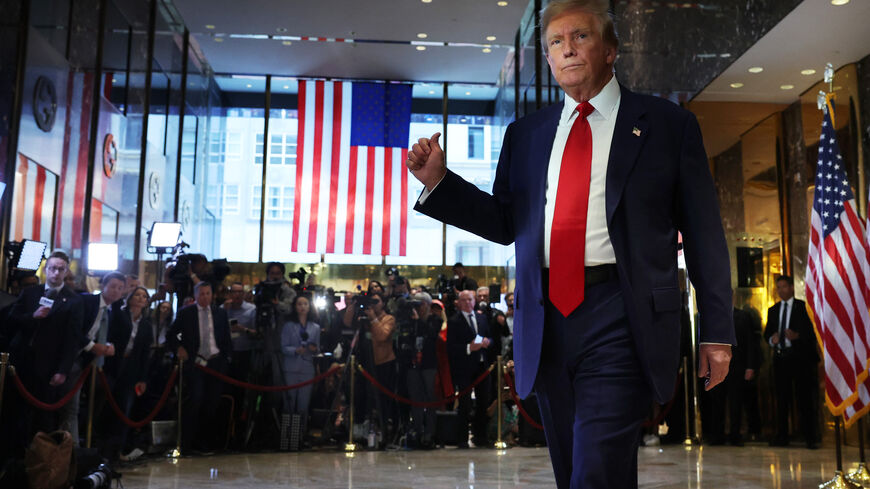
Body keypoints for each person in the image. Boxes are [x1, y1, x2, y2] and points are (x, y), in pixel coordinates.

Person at [406, 0, 733, 486]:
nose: (567, 50)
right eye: (556, 42)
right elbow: (505, 222)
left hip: (625, 313)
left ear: (611, 50)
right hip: (548, 317)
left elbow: (705, 234)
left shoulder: (668, 125)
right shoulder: (527, 134)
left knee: (594, 468)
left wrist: (716, 331)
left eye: (580, 37)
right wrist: (439, 182)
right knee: (577, 467)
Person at [3, 250, 84, 457]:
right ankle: (13, 457)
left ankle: (40, 460)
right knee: (15, 412)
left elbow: (71, 340)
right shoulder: (31, 293)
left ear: (66, 272)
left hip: (48, 366)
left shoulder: (73, 301)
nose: (56, 273)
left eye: (61, 269)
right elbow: (12, 319)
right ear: (46, 270)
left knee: (42, 417)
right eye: (53, 268)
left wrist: (62, 371)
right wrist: (33, 316)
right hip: (20, 362)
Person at [61, 271, 127, 446]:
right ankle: (71, 447)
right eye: (112, 286)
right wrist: (92, 346)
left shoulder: (113, 311)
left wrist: (108, 346)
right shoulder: (87, 301)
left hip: (87, 361)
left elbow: (104, 334)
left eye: (120, 288)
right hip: (70, 356)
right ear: (103, 286)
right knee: (69, 405)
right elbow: (73, 330)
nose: (115, 291)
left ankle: (78, 444)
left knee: (79, 405)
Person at [168, 281, 233, 452]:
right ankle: (188, 442)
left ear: (212, 295)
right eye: (201, 294)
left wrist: (226, 358)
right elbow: (171, 335)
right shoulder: (186, 313)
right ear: (196, 296)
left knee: (211, 403)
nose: (205, 297)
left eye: (208, 293)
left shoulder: (220, 313)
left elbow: (226, 337)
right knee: (195, 400)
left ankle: (206, 442)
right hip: (196, 362)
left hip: (216, 362)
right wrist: (179, 348)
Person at [764, 275, 820, 449]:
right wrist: (771, 339)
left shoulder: (803, 307)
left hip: (800, 359)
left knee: (804, 399)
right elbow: (767, 333)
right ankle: (782, 436)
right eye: (778, 287)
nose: (781, 290)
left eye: (784, 287)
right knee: (782, 399)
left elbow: (813, 334)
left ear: (791, 288)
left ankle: (810, 437)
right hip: (781, 359)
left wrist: (798, 336)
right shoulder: (773, 310)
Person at [101, 286, 153, 460]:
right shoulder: (120, 314)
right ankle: (100, 448)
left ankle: (118, 449)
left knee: (124, 408)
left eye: (144, 296)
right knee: (106, 404)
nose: (140, 298)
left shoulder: (146, 324)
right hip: (114, 363)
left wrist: (143, 379)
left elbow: (146, 353)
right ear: (130, 298)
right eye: (137, 295)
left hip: (132, 367)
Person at [447, 290, 495, 448]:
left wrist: (487, 342)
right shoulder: (454, 321)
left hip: (482, 366)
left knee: (483, 402)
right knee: (465, 403)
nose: (467, 302)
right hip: (464, 368)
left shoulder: (481, 317)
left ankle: (480, 436)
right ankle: (462, 438)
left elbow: (489, 336)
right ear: (459, 303)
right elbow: (452, 347)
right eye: (464, 300)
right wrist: (469, 347)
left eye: (470, 299)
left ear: (474, 301)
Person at [280, 294, 321, 445]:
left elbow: (317, 349)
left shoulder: (315, 327)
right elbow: (283, 347)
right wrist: (295, 350)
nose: (302, 307)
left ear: (309, 307)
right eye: (299, 304)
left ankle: (300, 437)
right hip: (291, 367)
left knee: (303, 405)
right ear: (295, 307)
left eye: (305, 304)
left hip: (307, 367)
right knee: (289, 404)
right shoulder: (288, 325)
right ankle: (287, 437)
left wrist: (313, 348)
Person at [403, 291, 442, 448]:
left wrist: (420, 321)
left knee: (431, 400)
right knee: (416, 400)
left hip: (429, 365)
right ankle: (417, 432)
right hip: (413, 365)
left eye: (419, 305)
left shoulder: (435, 320)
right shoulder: (411, 321)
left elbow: (433, 336)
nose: (417, 308)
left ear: (426, 305)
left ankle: (430, 434)